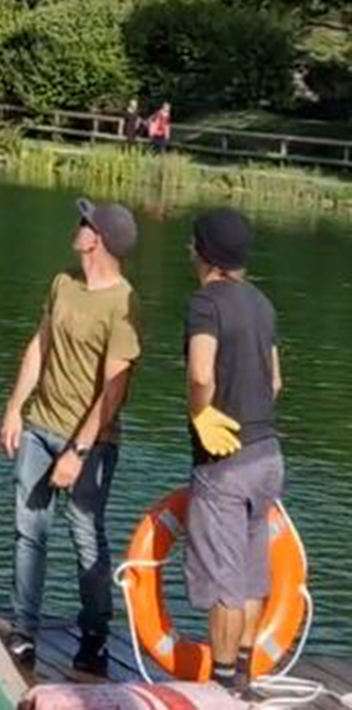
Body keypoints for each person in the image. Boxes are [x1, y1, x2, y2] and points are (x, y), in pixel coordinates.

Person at [0, 199, 142, 675]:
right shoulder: (63, 282)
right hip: (40, 428)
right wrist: (16, 407)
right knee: (29, 533)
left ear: (96, 238)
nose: (76, 227)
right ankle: (23, 631)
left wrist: (78, 451)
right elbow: (40, 345)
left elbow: (114, 387)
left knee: (85, 535)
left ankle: (95, 636)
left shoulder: (123, 302)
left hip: (92, 443)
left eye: (84, 222)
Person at [184, 207, 283, 694]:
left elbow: (202, 372)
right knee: (249, 573)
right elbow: (276, 380)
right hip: (268, 453)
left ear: (206, 255)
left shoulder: (206, 304)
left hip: (224, 461)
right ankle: (244, 679)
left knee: (223, 578)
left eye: (192, 243)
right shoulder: (263, 303)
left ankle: (222, 688)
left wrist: (202, 411)